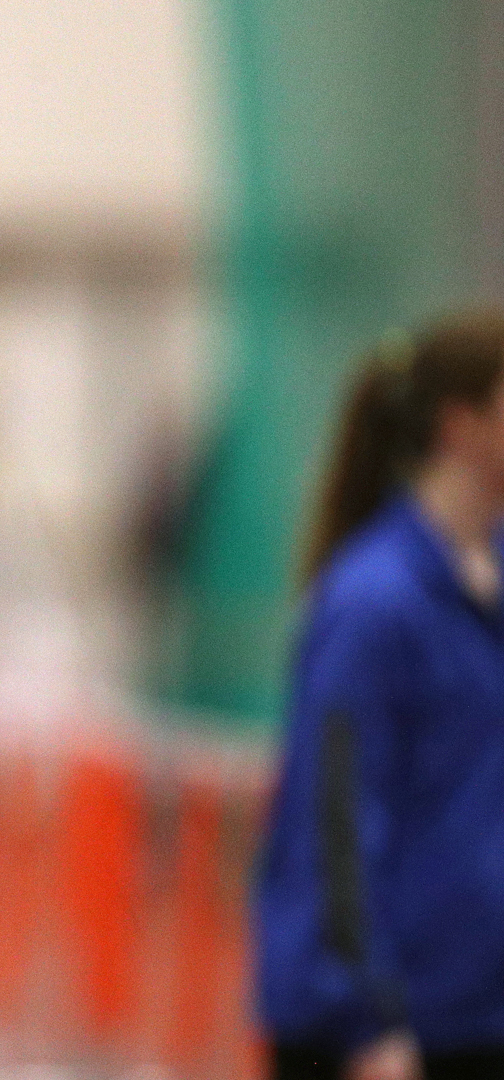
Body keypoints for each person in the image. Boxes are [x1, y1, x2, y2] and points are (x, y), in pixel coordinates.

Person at [256, 314, 504, 1080]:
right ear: (463, 426)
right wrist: (368, 1020)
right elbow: (335, 823)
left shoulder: (489, 580)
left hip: (476, 1015)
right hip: (383, 1035)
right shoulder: (373, 602)